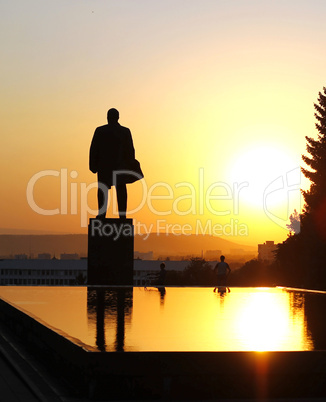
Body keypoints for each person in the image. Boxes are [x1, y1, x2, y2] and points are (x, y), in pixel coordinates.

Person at [89, 108, 136, 219]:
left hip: (105, 167)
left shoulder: (100, 131)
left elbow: (93, 149)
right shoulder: (125, 131)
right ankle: (122, 216)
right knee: (120, 190)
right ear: (118, 117)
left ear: (108, 117)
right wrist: (130, 165)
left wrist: (93, 165)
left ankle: (102, 214)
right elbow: (130, 151)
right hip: (120, 166)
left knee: (103, 190)